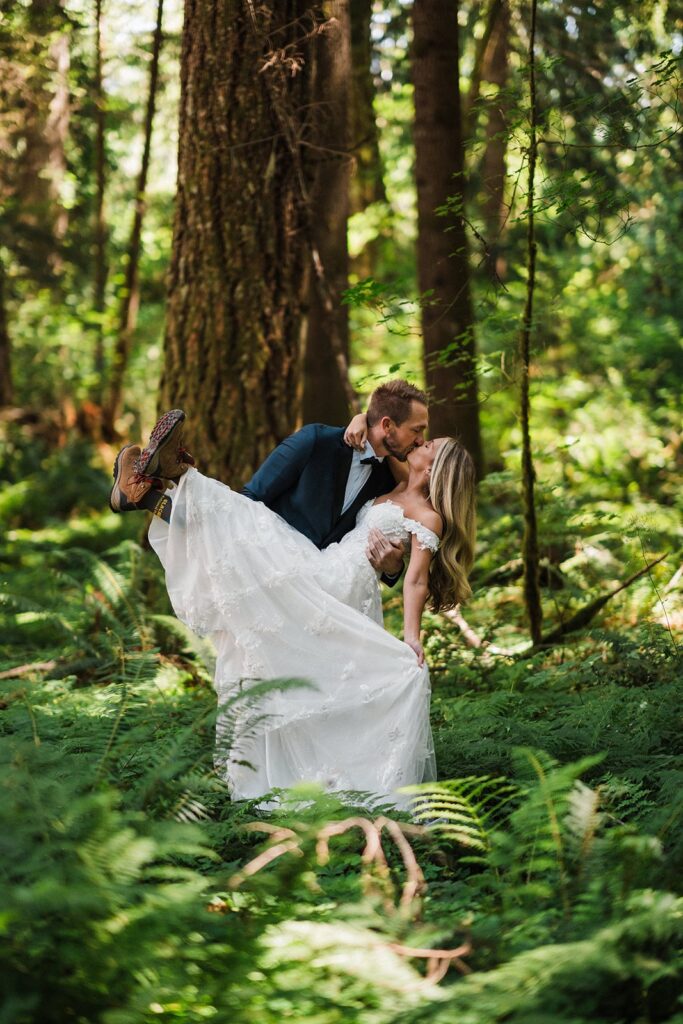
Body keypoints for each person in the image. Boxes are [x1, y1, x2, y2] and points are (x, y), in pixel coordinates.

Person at [109, 396, 476, 807]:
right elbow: (368, 432)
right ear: (388, 425)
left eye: (428, 443)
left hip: (336, 582)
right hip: (318, 565)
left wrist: (411, 636)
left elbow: (414, 579)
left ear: (436, 466)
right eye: (420, 434)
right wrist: (358, 419)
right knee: (248, 523)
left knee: (247, 528)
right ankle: (154, 490)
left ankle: (172, 478)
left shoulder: (424, 510)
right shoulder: (379, 466)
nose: (422, 442)